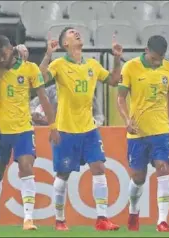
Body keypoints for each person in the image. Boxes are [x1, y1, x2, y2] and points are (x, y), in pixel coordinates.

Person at [39, 27, 123, 231]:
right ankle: (59, 219)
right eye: (71, 32)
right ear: (64, 43)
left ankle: (102, 218)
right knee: (63, 174)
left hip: (89, 129)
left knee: (99, 168)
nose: (76, 33)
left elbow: (113, 81)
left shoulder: (92, 65)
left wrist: (117, 58)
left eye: (77, 31)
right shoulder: (59, 64)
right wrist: (48, 55)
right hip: (66, 129)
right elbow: (40, 78)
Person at [0, 36, 57, 230]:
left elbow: (43, 97)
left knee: (27, 167)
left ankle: (28, 218)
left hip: (23, 129)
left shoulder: (29, 69)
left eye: (2, 52)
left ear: (10, 49)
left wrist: (52, 126)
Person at [116, 35, 169, 232]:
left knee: (163, 168)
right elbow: (120, 98)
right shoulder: (131, 68)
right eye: (154, 58)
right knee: (138, 177)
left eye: (161, 58)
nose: (158, 62)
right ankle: (134, 212)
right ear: (146, 50)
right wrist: (127, 120)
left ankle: (162, 221)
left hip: (160, 130)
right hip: (138, 132)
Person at [30, 84, 106, 126]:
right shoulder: (51, 90)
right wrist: (36, 115)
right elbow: (31, 106)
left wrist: (91, 122)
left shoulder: (86, 92)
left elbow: (99, 118)